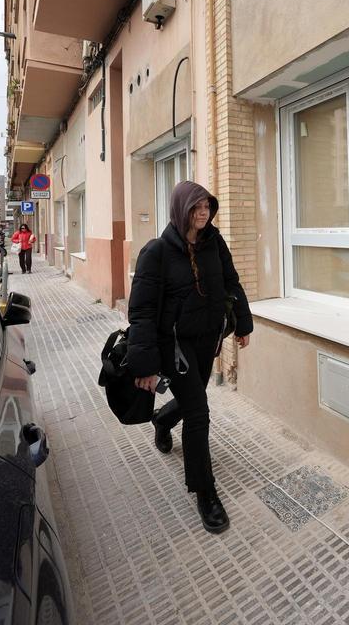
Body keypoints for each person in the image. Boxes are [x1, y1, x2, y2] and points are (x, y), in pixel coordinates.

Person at [125, 181, 253, 534]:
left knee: (194, 397)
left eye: (207, 206)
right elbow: (143, 311)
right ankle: (204, 491)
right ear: (181, 209)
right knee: (199, 413)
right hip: (175, 348)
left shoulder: (215, 242)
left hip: (206, 341)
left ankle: (164, 421)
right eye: (197, 207)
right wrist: (146, 364)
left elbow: (231, 282)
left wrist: (242, 322)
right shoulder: (157, 252)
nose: (204, 213)